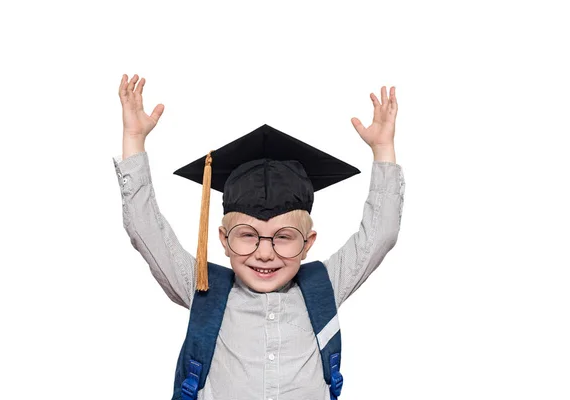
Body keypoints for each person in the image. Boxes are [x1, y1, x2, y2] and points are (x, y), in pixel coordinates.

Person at [112, 73, 405, 399]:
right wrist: (134, 139)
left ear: (308, 244)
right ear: (223, 240)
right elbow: (146, 231)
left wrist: (383, 149)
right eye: (248, 235)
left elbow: (380, 234)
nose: (264, 253)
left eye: (283, 237)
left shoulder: (326, 285)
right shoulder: (203, 289)